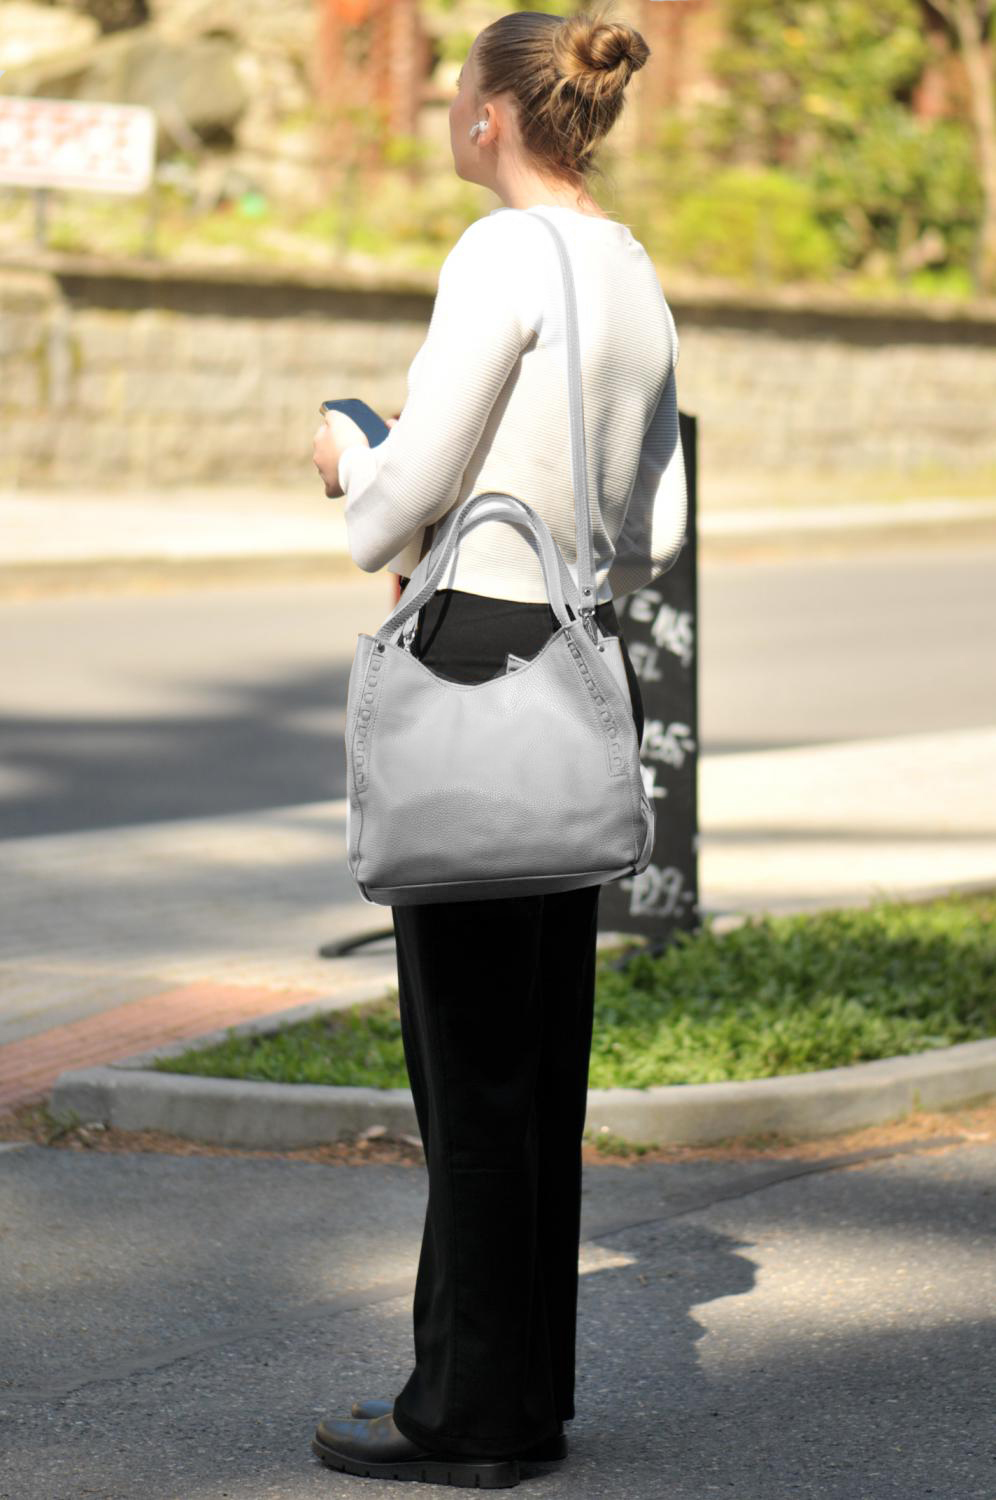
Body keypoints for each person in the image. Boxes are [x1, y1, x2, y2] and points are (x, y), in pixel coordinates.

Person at [309, 3, 687, 1487]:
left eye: (455, 95)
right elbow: (655, 527)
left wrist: (349, 446)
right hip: (581, 667)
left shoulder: (500, 252)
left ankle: (468, 1421)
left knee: (465, 1073)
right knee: (536, 1064)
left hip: (475, 655)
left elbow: (391, 509)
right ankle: (523, 1399)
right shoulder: (631, 270)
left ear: (490, 115)